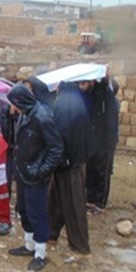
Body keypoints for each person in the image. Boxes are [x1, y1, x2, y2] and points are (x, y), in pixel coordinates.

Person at [6, 84, 63, 271]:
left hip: (35, 174)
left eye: (13, 103)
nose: (11, 107)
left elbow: (56, 148)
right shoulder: (24, 114)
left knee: (37, 213)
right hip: (23, 172)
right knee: (24, 209)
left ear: (20, 101)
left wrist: (42, 171)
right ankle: (29, 245)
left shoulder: (42, 117)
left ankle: (40, 253)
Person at [48, 81, 93, 254]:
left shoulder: (63, 104)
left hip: (68, 163)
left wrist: (61, 159)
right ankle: (51, 234)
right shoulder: (77, 102)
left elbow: (60, 133)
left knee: (74, 204)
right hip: (74, 160)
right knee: (55, 201)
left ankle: (80, 244)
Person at [86, 77, 120, 215]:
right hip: (95, 142)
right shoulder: (97, 101)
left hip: (105, 143)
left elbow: (110, 125)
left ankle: (100, 203)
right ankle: (91, 199)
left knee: (102, 172)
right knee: (92, 169)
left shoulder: (110, 102)